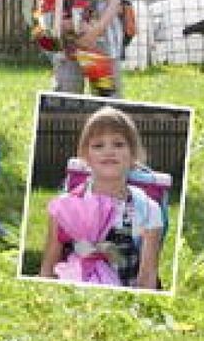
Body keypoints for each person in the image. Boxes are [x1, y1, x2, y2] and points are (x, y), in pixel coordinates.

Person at [40, 106, 163, 289]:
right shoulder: (67, 206)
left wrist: (112, 254)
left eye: (119, 144)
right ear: (86, 156)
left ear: (133, 154)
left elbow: (147, 278)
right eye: (98, 145)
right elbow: (48, 269)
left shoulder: (147, 209)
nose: (109, 151)